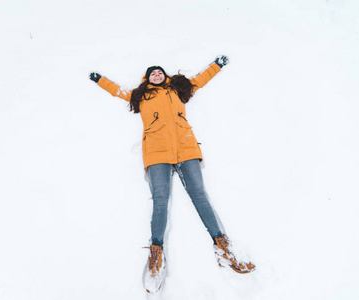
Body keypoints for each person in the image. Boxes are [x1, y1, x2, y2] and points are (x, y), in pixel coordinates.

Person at [89, 56, 255, 293]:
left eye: (160, 72)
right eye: (152, 73)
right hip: (157, 153)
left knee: (199, 195)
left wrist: (217, 65)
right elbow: (118, 90)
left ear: (165, 76)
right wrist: (99, 80)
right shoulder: (140, 95)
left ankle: (223, 247)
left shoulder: (178, 89)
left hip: (186, 148)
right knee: (160, 200)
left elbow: (200, 80)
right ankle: (156, 256)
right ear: (147, 78)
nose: (157, 74)